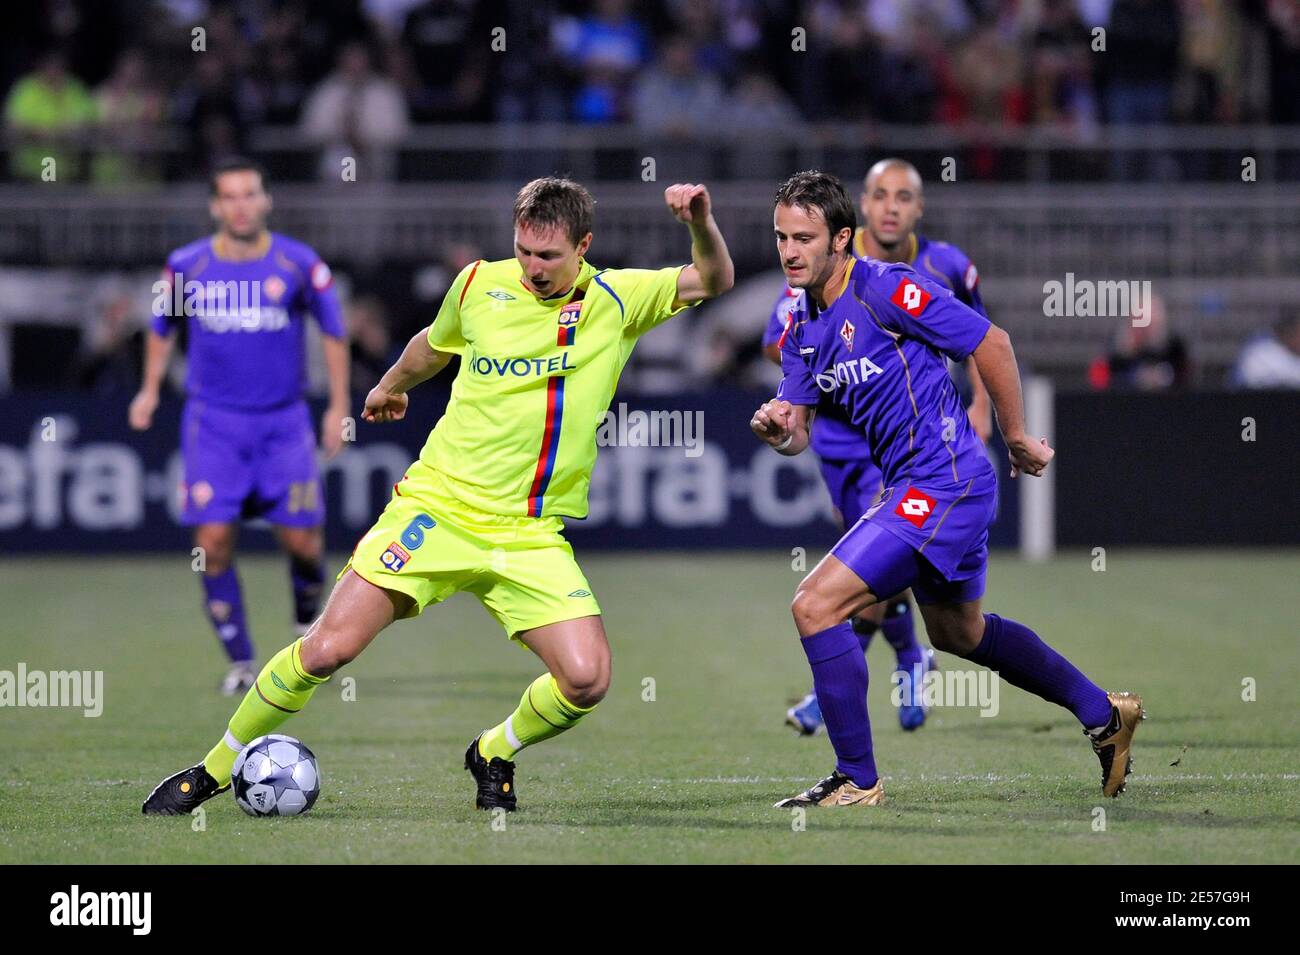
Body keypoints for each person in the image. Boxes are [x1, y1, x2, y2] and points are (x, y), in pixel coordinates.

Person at [142, 176, 734, 816]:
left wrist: (698, 221)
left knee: (587, 680)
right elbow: (433, 343)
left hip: (528, 533)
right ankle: (211, 770)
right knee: (327, 648)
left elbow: (715, 278)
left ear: (583, 245)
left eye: (549, 256)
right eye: (524, 252)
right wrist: (391, 383)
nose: (533, 268)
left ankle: (493, 751)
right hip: (437, 510)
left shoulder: (619, 298)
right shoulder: (480, 283)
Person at [750, 171, 1143, 807]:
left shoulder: (888, 289)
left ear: (841, 239)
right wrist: (778, 429)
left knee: (814, 604)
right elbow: (797, 429)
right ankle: (1104, 713)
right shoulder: (800, 325)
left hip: (945, 481)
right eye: (780, 238)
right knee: (958, 633)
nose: (789, 251)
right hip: (918, 487)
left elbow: (991, 341)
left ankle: (856, 779)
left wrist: (1014, 433)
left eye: (804, 237)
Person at [766, 158, 992, 735]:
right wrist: (808, 390)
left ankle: (857, 695)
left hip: (914, 451)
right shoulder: (809, 282)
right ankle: (904, 660)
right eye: (880, 195)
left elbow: (982, 339)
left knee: (843, 588)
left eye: (903, 196)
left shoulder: (937, 268)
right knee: (882, 591)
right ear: (863, 207)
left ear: (918, 207)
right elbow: (782, 347)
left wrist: (986, 413)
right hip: (844, 441)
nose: (891, 206)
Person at [129, 157, 350, 695]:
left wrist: (338, 404)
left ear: (266, 200)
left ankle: (304, 627)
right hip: (214, 426)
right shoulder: (185, 266)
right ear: (215, 205)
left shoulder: (299, 263)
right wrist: (150, 388)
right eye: (230, 196)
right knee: (212, 540)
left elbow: (334, 331)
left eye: (250, 194)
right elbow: (161, 330)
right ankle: (241, 661)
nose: (241, 205)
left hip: (284, 424)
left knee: (302, 541)